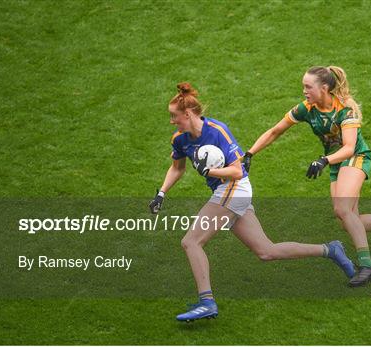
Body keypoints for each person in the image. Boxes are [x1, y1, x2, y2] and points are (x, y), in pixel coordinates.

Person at [149, 82, 356, 322]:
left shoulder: (217, 131)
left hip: (234, 189)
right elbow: (177, 168)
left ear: (188, 114)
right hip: (228, 192)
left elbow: (237, 172)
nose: (172, 121)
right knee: (266, 251)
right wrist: (162, 193)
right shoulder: (180, 139)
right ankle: (330, 249)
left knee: (191, 242)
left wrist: (211, 172)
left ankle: (207, 301)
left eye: (174, 116)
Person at [243, 66, 371, 287]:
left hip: (355, 157)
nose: (304, 91)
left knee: (342, 209)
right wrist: (250, 152)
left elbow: (348, 147)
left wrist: (324, 160)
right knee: (347, 221)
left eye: (308, 87)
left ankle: (367, 266)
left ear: (324, 88)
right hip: (336, 162)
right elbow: (275, 131)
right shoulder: (307, 108)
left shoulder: (345, 110)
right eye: (303, 87)